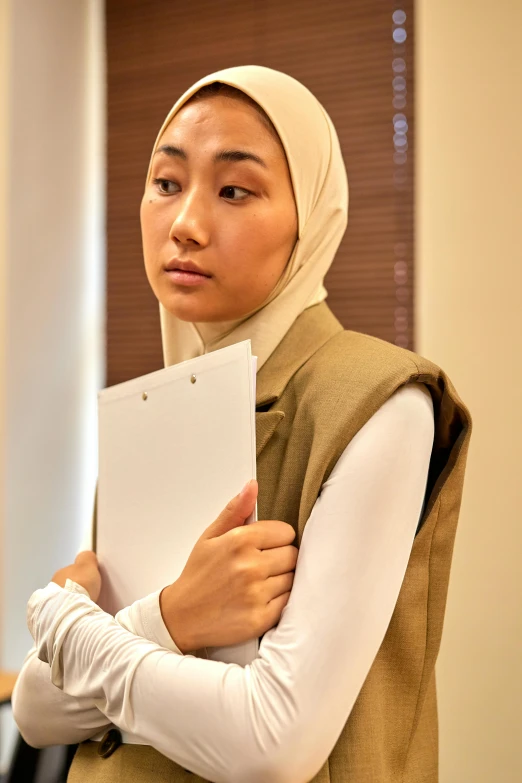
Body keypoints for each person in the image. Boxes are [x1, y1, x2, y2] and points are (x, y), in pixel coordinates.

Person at [12, 66, 471, 783]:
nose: (186, 223)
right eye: (166, 184)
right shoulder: (147, 414)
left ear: (311, 218)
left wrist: (75, 631)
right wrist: (171, 618)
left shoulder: (378, 399)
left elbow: (271, 742)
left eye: (234, 190)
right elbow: (38, 710)